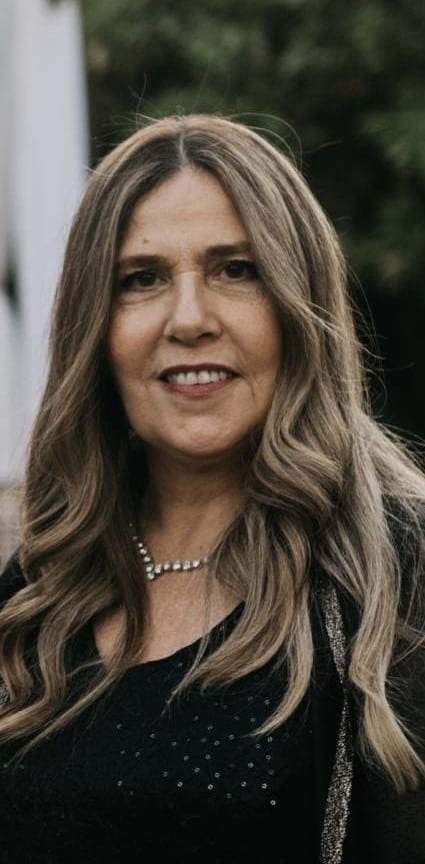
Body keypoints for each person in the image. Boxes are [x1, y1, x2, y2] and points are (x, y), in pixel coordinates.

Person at [0, 114, 424, 864]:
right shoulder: (40, 584)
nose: (189, 319)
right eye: (142, 279)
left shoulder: (397, 572)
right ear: (94, 329)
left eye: (236, 269)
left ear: (299, 306)